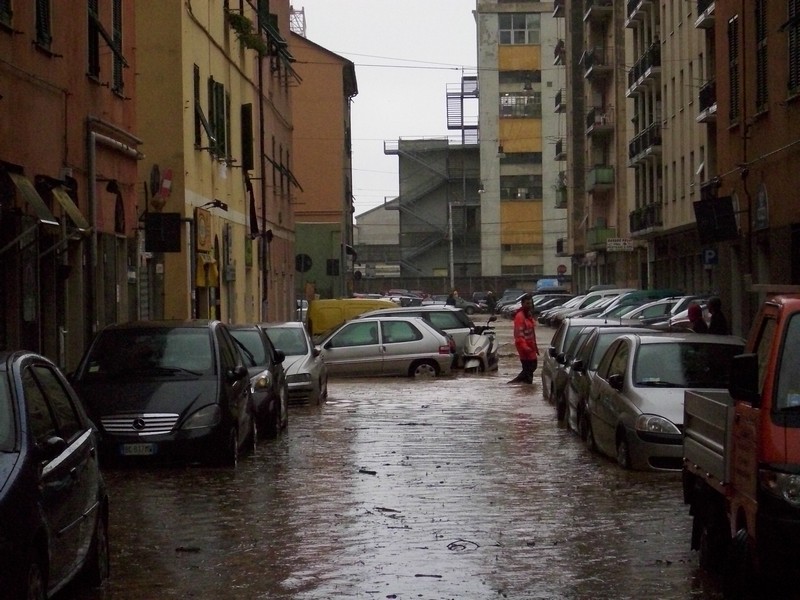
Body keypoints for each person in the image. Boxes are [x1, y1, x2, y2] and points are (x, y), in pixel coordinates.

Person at [508, 293, 540, 384]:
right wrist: (525, 348)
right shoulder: (520, 317)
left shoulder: (528, 315)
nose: (529, 305)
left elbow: (531, 332)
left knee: (530, 369)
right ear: (522, 304)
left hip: (531, 347)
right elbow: (519, 335)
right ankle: (519, 385)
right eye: (527, 303)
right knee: (529, 369)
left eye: (530, 303)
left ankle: (523, 387)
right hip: (524, 348)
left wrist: (534, 347)